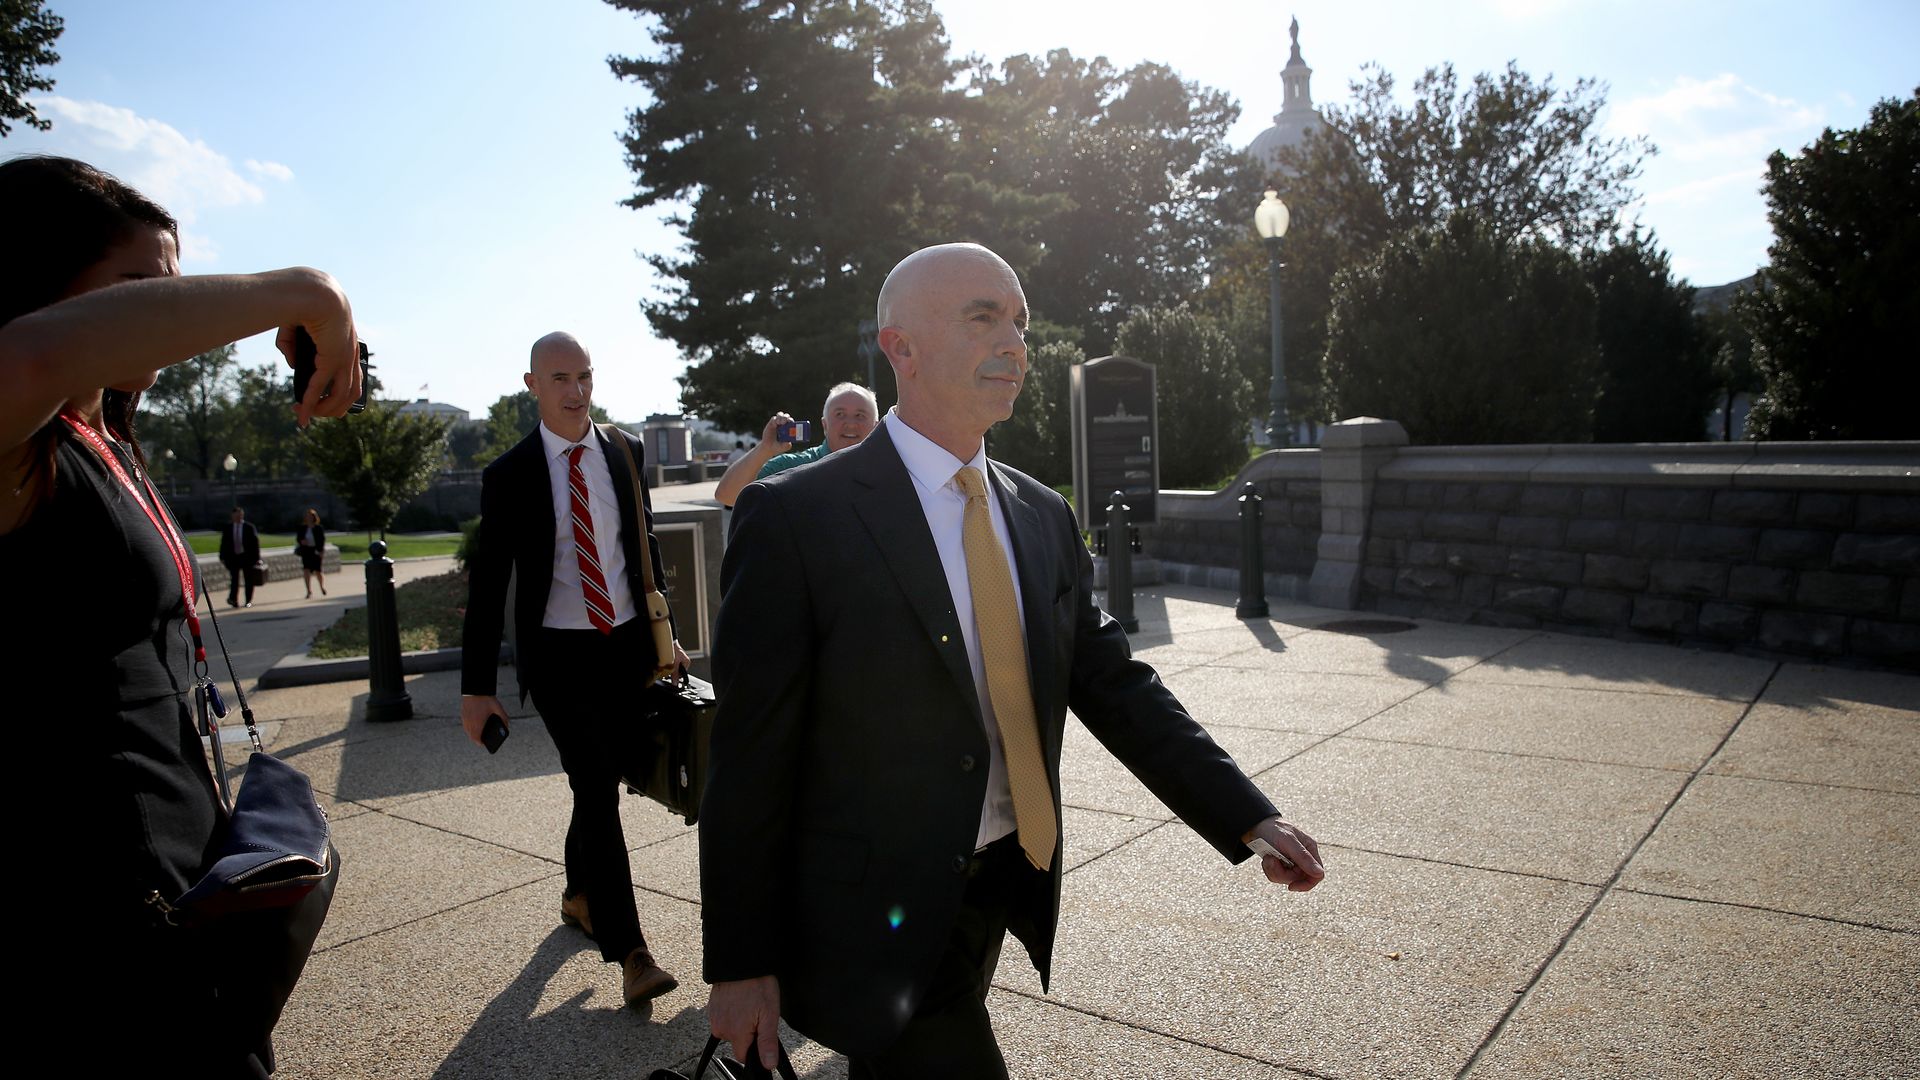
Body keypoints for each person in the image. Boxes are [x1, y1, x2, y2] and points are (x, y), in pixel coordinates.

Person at [701, 243, 1326, 1077]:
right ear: (902, 348)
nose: (1016, 343)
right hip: (872, 905)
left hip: (1001, 881)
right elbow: (747, 756)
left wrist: (1244, 813)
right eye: (983, 317)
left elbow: (1112, 682)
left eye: (1022, 322)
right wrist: (740, 963)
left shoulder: (1042, 515)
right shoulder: (795, 519)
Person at [0, 154, 362, 1076]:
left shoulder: (102, 433)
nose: (168, 314)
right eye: (136, 288)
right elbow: (35, 353)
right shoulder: (17, 446)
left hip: (185, 875)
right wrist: (308, 290)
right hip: (88, 910)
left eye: (175, 288)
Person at [459, 330, 692, 1013]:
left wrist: (663, 636)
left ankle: (577, 893)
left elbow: (642, 544)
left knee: (603, 777)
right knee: (594, 788)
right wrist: (478, 689)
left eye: (585, 376)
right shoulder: (510, 475)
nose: (576, 391)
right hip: (558, 655)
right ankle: (632, 954)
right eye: (560, 378)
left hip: (623, 646)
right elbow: (488, 584)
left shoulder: (624, 452)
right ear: (532, 385)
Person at [711, 382, 878, 508]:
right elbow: (727, 496)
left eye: (860, 415)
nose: (850, 423)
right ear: (825, 425)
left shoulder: (891, 468)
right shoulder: (791, 467)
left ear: (876, 425)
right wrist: (765, 449)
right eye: (840, 414)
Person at [220, 505, 263, 607]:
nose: (238, 518)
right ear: (232, 516)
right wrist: (222, 556)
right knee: (234, 580)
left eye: (240, 515)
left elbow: (255, 544)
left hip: (247, 557)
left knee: (248, 580)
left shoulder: (249, 527)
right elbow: (224, 543)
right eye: (236, 516)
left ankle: (248, 600)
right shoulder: (228, 528)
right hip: (233, 557)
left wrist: (257, 558)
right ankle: (233, 599)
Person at [295, 507, 328, 598]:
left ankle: (321, 587)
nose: (309, 518)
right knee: (306, 570)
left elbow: (322, 540)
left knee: (318, 571)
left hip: (316, 551)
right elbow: (298, 538)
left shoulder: (318, 528)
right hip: (306, 551)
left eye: (311, 516)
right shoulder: (302, 528)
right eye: (308, 516)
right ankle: (308, 590)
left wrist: (321, 551)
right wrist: (302, 541)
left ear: (314, 517)